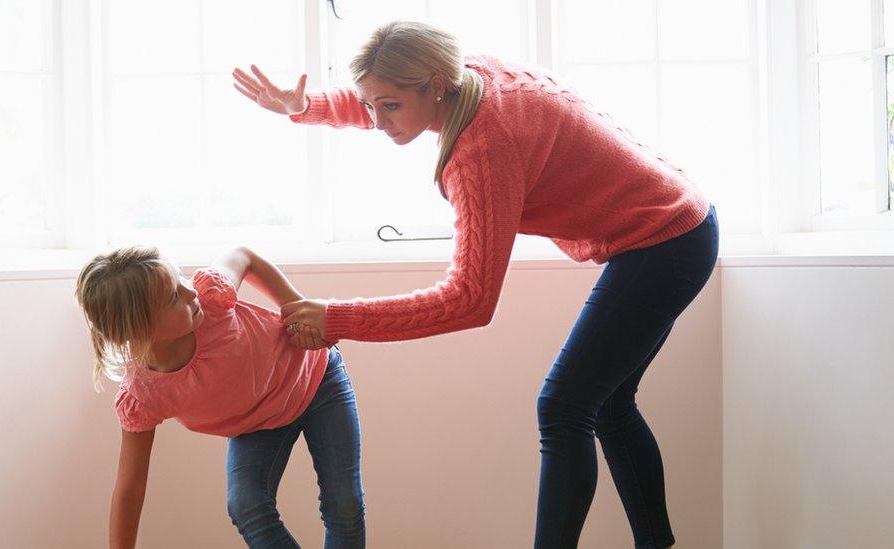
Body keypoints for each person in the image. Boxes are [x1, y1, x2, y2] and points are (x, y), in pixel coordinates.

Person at [234, 20, 717, 549]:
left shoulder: (482, 151)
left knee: (563, 407)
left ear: (436, 85)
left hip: (665, 242)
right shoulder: (470, 77)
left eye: (389, 106)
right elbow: (380, 95)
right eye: (372, 105)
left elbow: (470, 301)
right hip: (675, 223)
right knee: (605, 404)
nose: (377, 119)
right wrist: (306, 108)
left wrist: (336, 317)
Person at [75, 245, 365, 548]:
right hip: (259, 422)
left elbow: (244, 255)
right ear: (139, 327)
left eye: (180, 279)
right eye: (173, 296)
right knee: (246, 505)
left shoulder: (211, 298)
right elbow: (130, 487)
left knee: (343, 503)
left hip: (318, 381)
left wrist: (297, 307)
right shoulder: (144, 394)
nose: (190, 292)